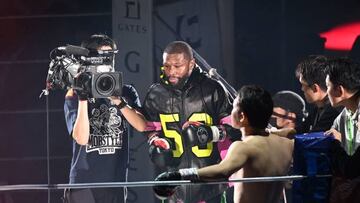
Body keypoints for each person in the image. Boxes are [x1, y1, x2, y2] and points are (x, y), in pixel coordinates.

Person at [154, 85, 294, 203]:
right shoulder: (286, 144)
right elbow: (293, 133)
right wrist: (273, 132)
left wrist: (179, 175)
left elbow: (222, 171)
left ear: (242, 116)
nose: (230, 112)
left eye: (233, 108)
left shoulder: (244, 147)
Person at [142, 41, 241, 203]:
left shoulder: (213, 88)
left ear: (191, 64)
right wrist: (154, 140)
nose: (171, 72)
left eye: (177, 66)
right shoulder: (155, 93)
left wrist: (211, 133)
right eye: (167, 66)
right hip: (173, 188)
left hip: (211, 186)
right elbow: (149, 127)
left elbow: (236, 128)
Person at [63, 34, 147, 203]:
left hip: (115, 182)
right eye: (101, 57)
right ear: (89, 60)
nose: (106, 62)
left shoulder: (126, 92)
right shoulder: (74, 94)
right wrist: (83, 97)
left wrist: (117, 100)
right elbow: (81, 138)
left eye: (110, 56)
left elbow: (142, 126)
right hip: (83, 183)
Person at [324, 57, 360, 202]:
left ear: (340, 90)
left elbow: (352, 169)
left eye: (327, 86)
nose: (326, 93)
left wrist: (336, 142)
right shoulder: (345, 114)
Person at [295, 55, 342, 133]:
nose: (302, 89)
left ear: (315, 88)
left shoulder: (334, 112)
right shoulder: (319, 108)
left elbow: (311, 139)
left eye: (303, 85)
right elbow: (300, 130)